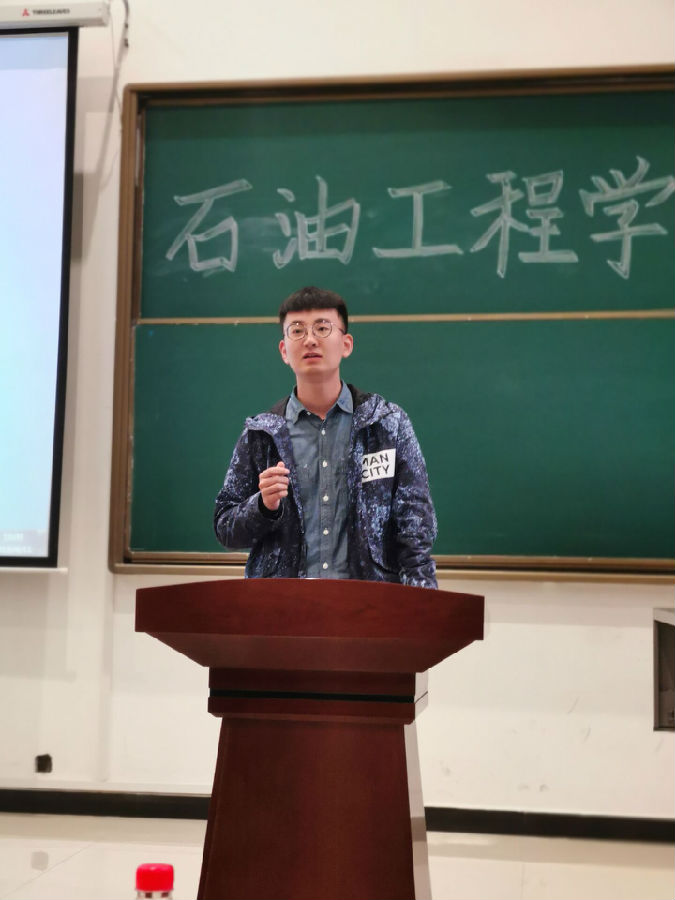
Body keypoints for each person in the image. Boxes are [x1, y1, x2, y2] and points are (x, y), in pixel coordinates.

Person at [213, 285, 437, 588]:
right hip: (283, 605)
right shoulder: (262, 434)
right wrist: (263, 506)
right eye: (297, 330)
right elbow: (226, 528)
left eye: (322, 328)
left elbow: (416, 530)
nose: (310, 339)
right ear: (284, 351)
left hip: (368, 603)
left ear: (346, 344)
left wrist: (422, 603)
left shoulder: (386, 424)